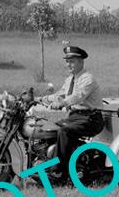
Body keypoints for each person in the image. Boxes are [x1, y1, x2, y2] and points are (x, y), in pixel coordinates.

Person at [40, 44, 105, 180]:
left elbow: (78, 96)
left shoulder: (88, 78)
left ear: (81, 61)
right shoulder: (70, 80)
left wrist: (61, 103)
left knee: (65, 131)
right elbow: (61, 94)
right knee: (50, 128)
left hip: (90, 118)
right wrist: (43, 99)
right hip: (76, 117)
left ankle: (59, 170)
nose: (69, 65)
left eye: (72, 61)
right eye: (67, 62)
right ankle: (48, 159)